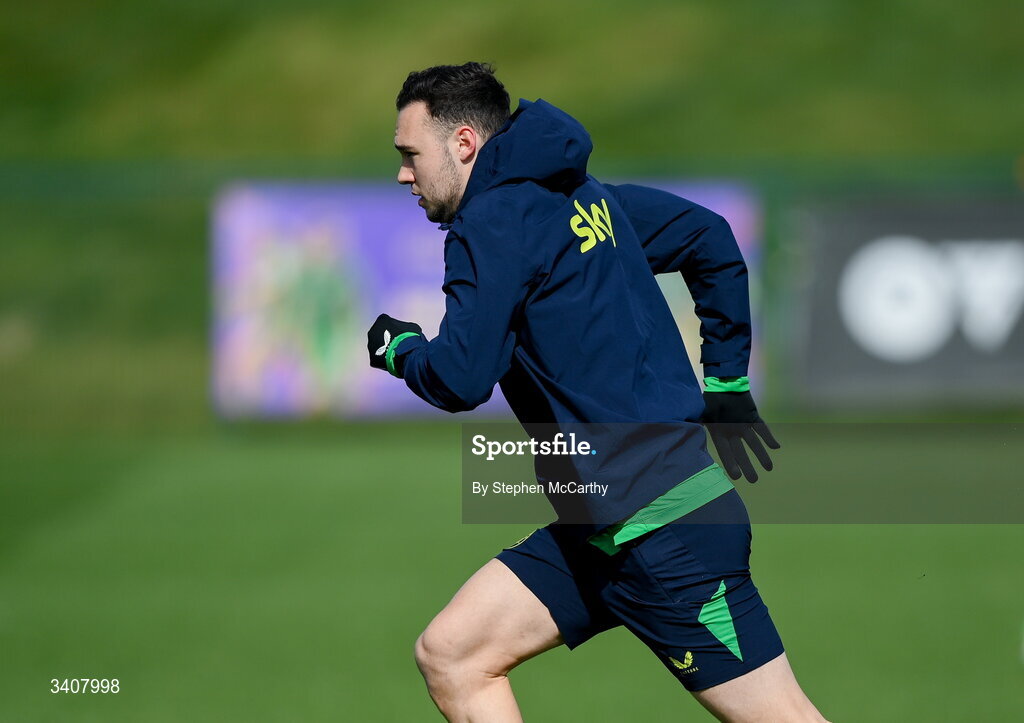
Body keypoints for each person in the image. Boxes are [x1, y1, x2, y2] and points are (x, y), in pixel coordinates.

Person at [367, 62, 829, 722]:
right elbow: (710, 238)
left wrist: (400, 350)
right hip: (605, 526)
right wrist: (726, 381)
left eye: (410, 154)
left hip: (663, 534)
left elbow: (461, 376)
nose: (403, 174)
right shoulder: (578, 193)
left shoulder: (490, 224)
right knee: (453, 653)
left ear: (463, 142)